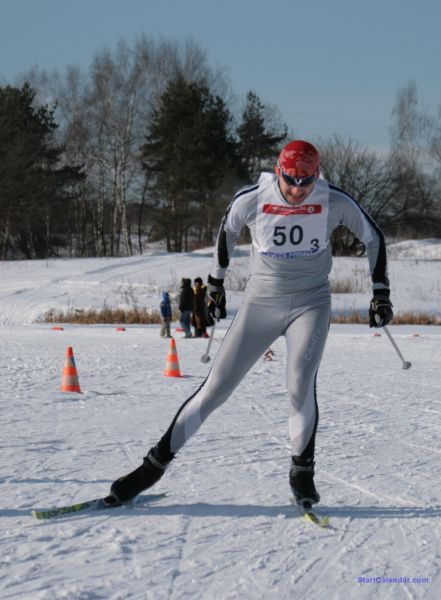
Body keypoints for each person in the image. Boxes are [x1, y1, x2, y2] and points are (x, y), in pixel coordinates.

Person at [107, 140, 393, 508]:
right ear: (279, 173)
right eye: (291, 182)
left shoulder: (332, 199)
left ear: (316, 177)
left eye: (306, 183)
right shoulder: (253, 197)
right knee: (215, 390)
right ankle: (151, 468)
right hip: (261, 304)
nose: (297, 191)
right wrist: (215, 285)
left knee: (298, 383)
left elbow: (373, 237)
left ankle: (302, 474)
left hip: (311, 303)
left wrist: (380, 292)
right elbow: (226, 231)